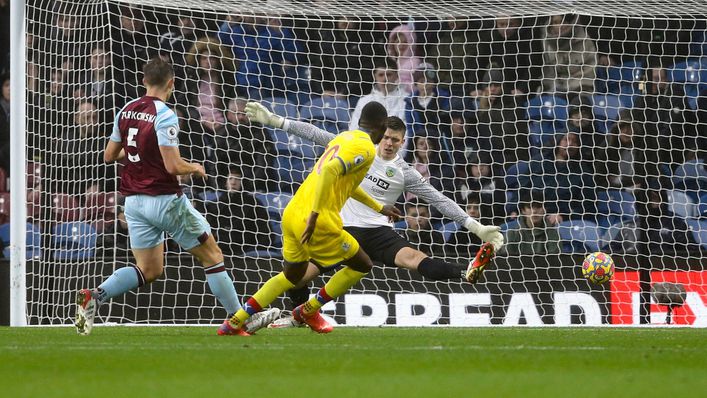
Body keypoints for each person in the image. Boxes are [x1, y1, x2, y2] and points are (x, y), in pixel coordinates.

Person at [243, 105, 503, 329]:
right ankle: (300, 315)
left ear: (403, 142)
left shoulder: (404, 172)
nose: (390, 143)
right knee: (297, 276)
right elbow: (313, 133)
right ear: (380, 135)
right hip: (341, 226)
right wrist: (276, 121)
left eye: (396, 140)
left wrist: (477, 227)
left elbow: (438, 200)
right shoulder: (357, 148)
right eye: (387, 137)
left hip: (378, 232)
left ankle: (465, 272)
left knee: (413, 258)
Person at [74, 58, 279, 336]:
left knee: (149, 269)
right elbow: (173, 167)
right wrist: (193, 166)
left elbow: (109, 155)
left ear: (144, 81)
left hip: (133, 202)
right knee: (213, 256)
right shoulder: (166, 114)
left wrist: (143, 155)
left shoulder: (126, 110)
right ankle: (237, 319)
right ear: (171, 83)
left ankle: (95, 297)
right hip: (164, 200)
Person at [217, 101, 401, 336]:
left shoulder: (342, 139)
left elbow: (346, 184)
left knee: (291, 276)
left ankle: (234, 321)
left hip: (293, 213)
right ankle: (308, 310)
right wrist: (315, 215)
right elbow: (330, 171)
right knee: (362, 264)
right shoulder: (365, 148)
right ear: (382, 126)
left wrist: (378, 207)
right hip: (317, 219)